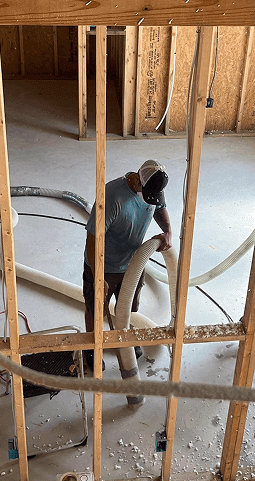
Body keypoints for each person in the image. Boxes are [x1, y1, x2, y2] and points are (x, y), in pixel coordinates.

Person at [82, 159, 173, 371]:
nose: (152, 200)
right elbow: (93, 239)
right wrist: (98, 276)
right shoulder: (113, 196)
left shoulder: (153, 188)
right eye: (148, 195)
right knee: (95, 310)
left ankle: (125, 339)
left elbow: (160, 208)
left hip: (132, 264)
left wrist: (167, 230)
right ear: (138, 181)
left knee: (129, 307)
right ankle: (90, 348)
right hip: (104, 265)